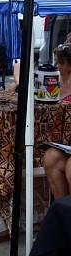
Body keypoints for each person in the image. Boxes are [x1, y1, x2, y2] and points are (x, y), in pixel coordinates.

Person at [43, 42, 71, 198]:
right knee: (50, 157)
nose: (57, 66)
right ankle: (62, 210)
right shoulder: (54, 80)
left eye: (61, 63)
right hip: (64, 143)